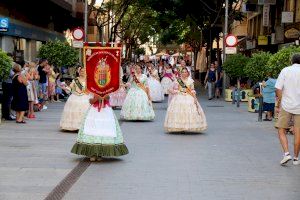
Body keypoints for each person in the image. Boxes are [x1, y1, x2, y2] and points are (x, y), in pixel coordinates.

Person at [71, 94, 129, 161]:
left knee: (104, 130)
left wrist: (103, 96)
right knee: (92, 130)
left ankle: (100, 153)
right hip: (94, 111)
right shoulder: (93, 89)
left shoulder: (107, 89)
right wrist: (96, 98)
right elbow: (91, 101)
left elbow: (108, 98)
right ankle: (92, 153)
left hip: (106, 111)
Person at [164, 67, 207, 133]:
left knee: (189, 112)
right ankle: (180, 127)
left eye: (185, 72)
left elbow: (192, 91)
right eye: (183, 72)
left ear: (187, 73)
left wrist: (195, 99)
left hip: (189, 97)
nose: (184, 73)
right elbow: (170, 89)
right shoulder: (178, 80)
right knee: (179, 112)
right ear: (181, 73)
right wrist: (176, 91)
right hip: (179, 97)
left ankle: (187, 127)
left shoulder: (190, 81)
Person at [275, 54, 300, 166]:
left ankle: (286, 154)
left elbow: (278, 88)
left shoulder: (285, 70)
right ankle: (295, 158)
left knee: (281, 130)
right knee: (298, 133)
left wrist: (280, 101)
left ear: (291, 61)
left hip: (286, 105)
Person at [60, 67, 90, 131]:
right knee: (73, 112)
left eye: (84, 71)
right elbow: (71, 88)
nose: (82, 72)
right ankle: (74, 126)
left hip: (84, 96)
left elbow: (90, 89)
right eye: (81, 71)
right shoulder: (76, 79)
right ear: (79, 72)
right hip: (75, 96)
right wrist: (65, 87)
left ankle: (82, 126)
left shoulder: (88, 80)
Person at [2, 53, 15, 120]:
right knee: (7, 100)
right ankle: (7, 115)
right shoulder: (7, 65)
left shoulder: (5, 65)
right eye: (11, 58)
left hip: (5, 83)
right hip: (8, 83)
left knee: (6, 100)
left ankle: (6, 115)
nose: (12, 59)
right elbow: (12, 74)